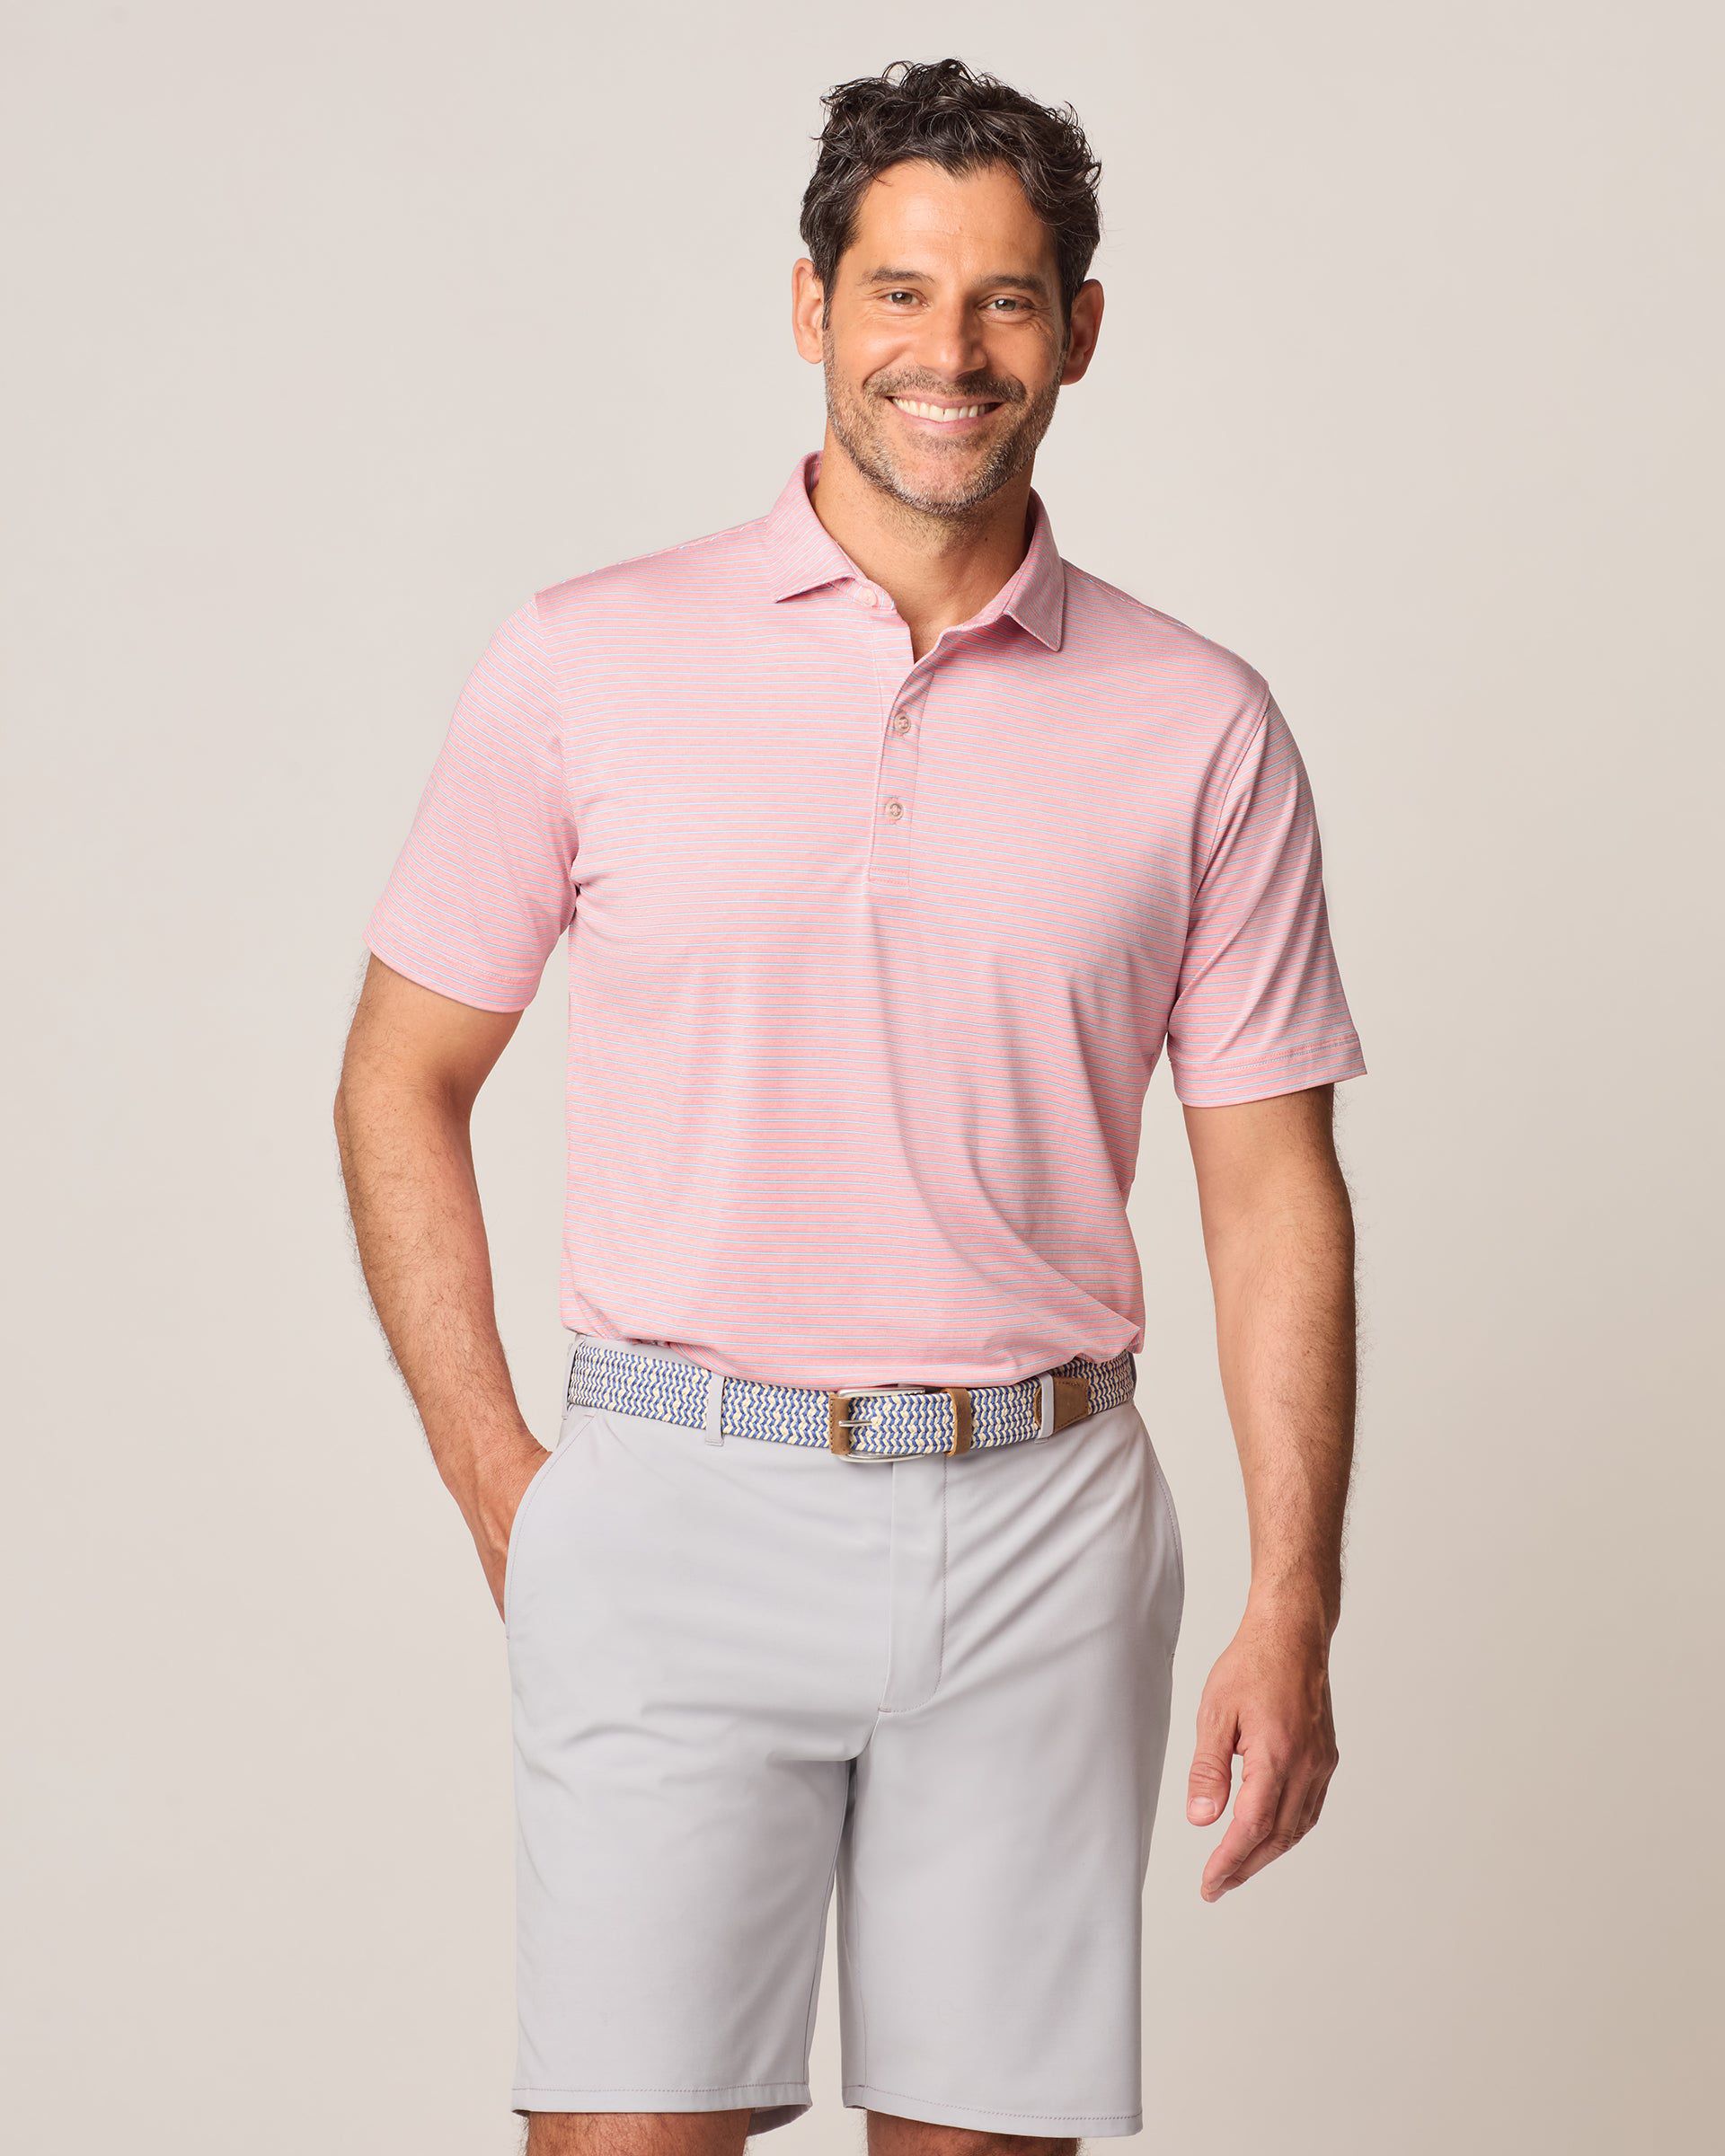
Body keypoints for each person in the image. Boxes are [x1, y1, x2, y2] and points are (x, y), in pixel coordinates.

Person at [334, 55, 1366, 2156]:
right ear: (811, 306)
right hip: (676, 1503)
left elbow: (1272, 1192)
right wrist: (504, 1485)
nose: (947, 353)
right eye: (899, 292)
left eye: (1004, 301)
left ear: (1081, 328)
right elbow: (396, 1079)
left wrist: (1294, 1594)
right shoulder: (585, 662)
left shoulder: (1201, 725)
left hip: (1043, 1527)